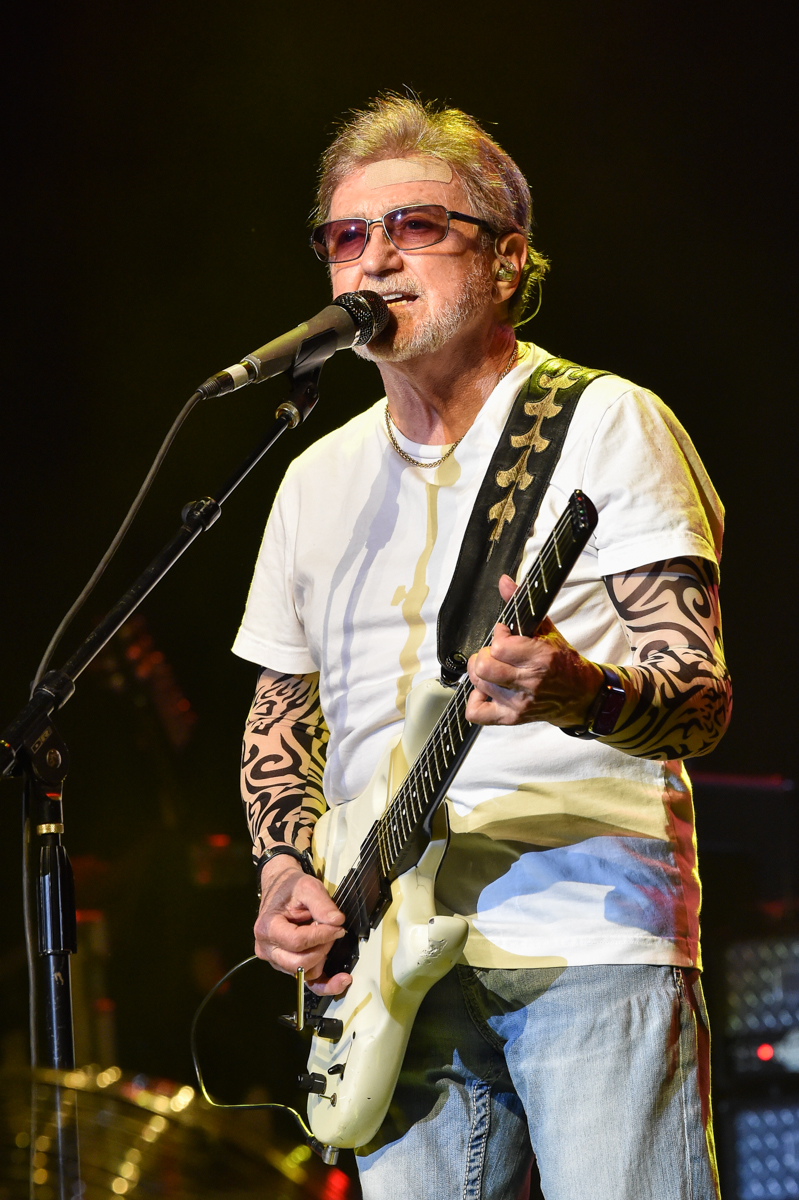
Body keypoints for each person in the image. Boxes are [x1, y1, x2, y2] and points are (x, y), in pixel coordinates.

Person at [232, 95, 731, 1200]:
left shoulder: (605, 422)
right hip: (385, 960)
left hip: (584, 929)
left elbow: (699, 697)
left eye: (416, 227)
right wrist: (282, 871)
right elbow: (281, 715)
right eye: (348, 236)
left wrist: (575, 687)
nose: (376, 259)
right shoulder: (311, 478)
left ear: (507, 261)